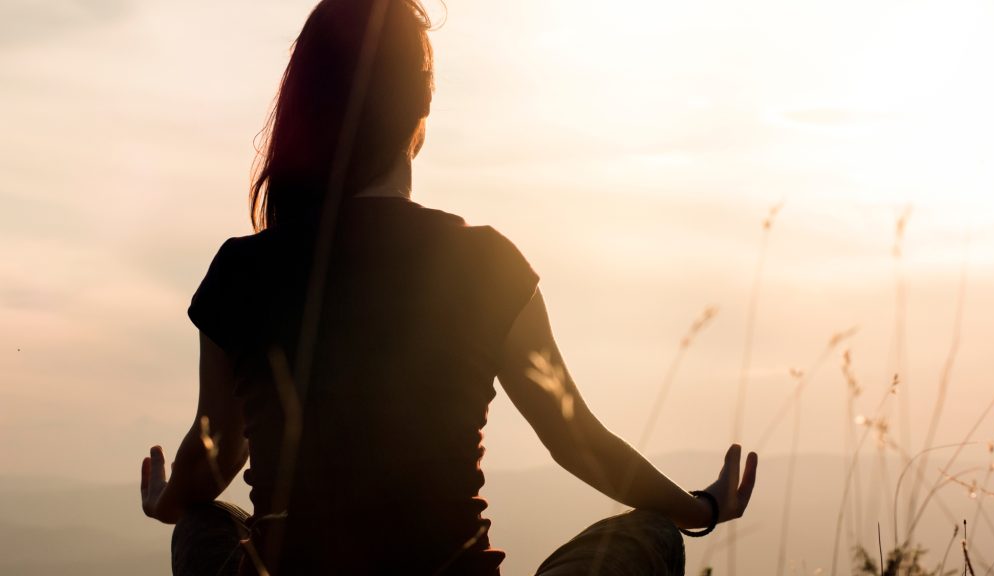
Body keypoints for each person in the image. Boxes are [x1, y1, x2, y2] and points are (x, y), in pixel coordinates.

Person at [138, 1, 757, 574]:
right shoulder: (484, 262)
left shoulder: (242, 270)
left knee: (202, 526)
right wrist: (701, 510)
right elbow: (577, 441)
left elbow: (216, 453)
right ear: (421, 107)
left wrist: (165, 501)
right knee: (652, 534)